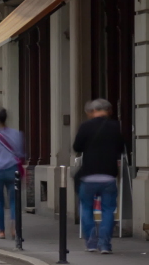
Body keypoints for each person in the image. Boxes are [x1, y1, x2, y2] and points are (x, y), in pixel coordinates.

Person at [73, 98, 125, 254]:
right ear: (108, 110)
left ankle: (91, 242)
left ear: (93, 111)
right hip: (108, 175)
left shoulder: (85, 126)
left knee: (86, 208)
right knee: (108, 210)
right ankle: (105, 244)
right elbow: (122, 148)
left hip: (89, 174)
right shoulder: (115, 127)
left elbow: (77, 146)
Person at [0, 108, 24, 239]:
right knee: (13, 200)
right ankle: (14, 228)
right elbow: (20, 153)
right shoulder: (16, 134)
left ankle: (1, 231)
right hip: (12, 169)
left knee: (0, 201)